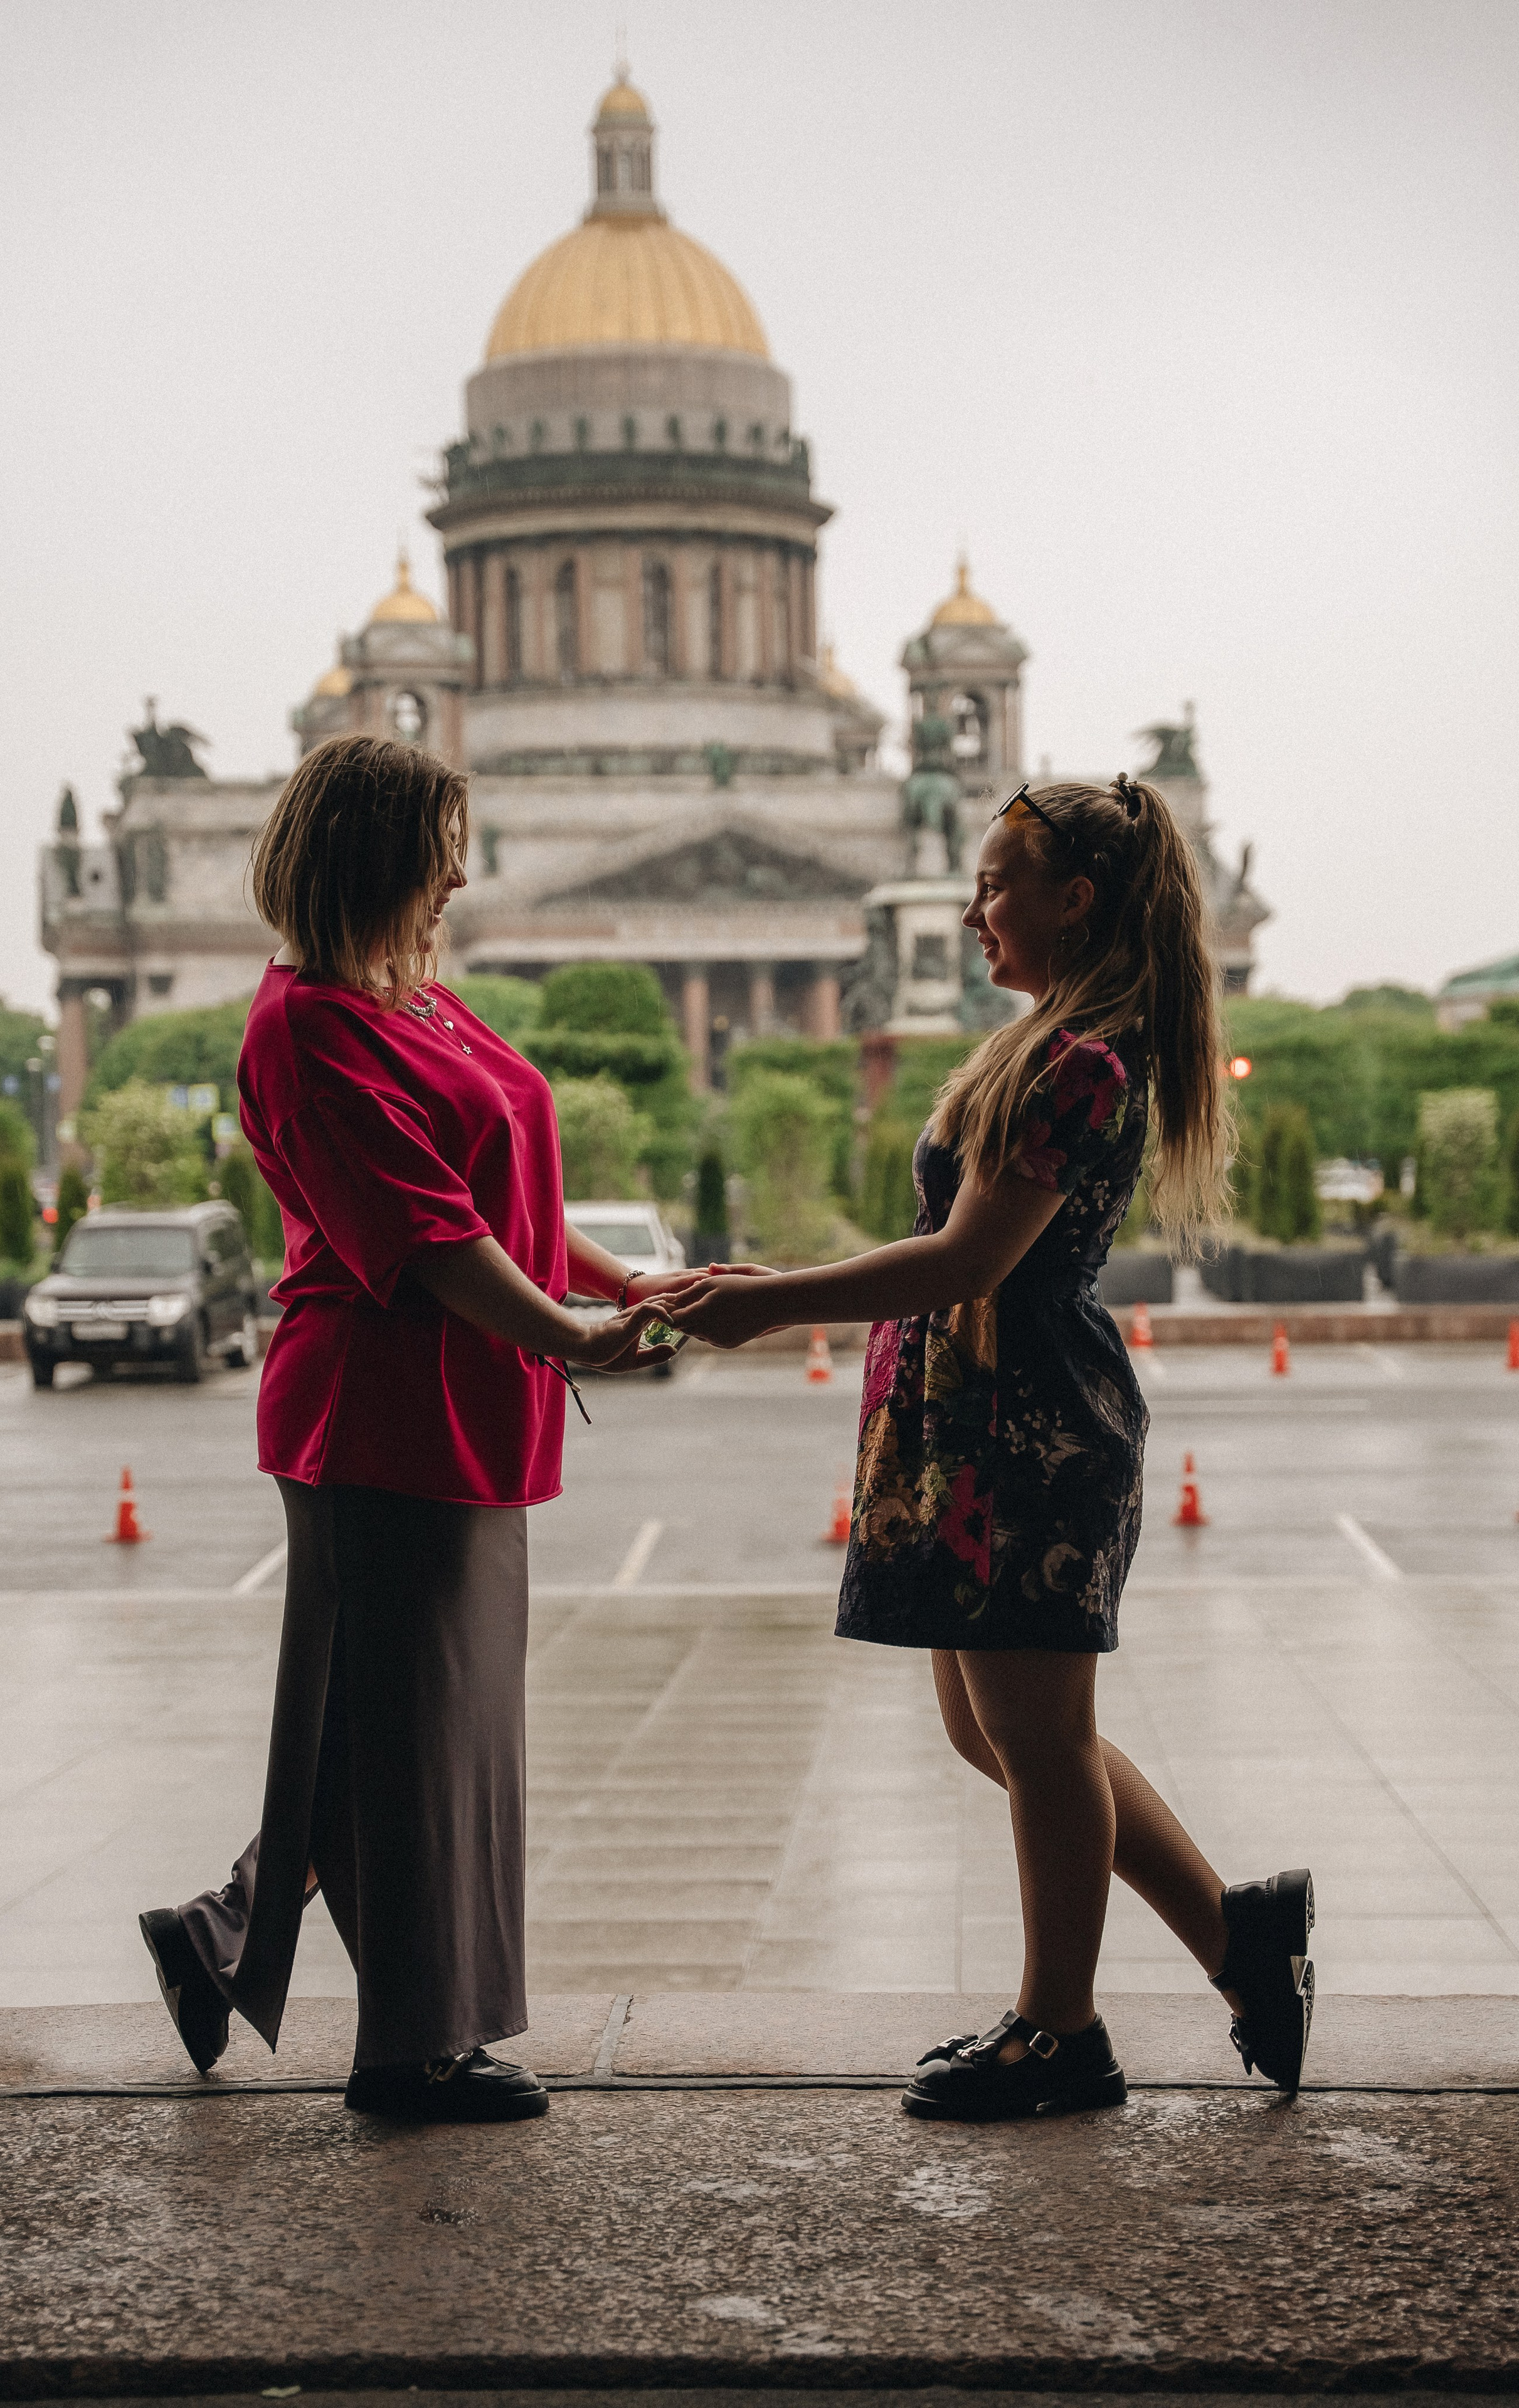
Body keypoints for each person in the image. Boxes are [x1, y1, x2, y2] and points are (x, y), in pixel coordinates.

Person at [669, 776, 1315, 2121]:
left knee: (1036, 1742)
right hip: (974, 1426)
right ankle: (1236, 1941)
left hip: (1026, 1436)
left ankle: (1059, 2033)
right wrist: (775, 1280)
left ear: (1070, 901)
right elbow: (952, 1249)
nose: (969, 913)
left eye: (991, 885)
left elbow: (967, 1257)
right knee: (1001, 1735)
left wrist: (769, 1302)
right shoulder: (1045, 1044)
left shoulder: (1077, 1063)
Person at [139, 734, 699, 2124]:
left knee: (392, 1725)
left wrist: (617, 1278)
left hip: (456, 1393)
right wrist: (570, 1335)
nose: (460, 875)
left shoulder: (414, 1003)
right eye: (441, 847)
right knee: (416, 1739)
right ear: (373, 854)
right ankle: (409, 2052)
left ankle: (220, 1936)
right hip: (380, 1403)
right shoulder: (308, 1027)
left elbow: (496, 1188)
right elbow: (429, 1236)